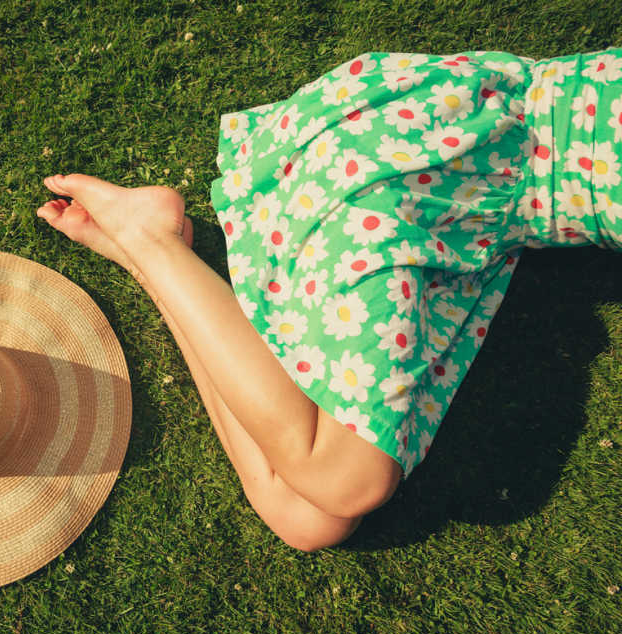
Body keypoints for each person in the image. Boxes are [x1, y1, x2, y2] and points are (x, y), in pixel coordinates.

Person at [36, 49, 622, 551]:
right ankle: (149, 243)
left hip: (450, 174)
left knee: (305, 517)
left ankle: (160, 268)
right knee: (346, 479)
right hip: (415, 170)